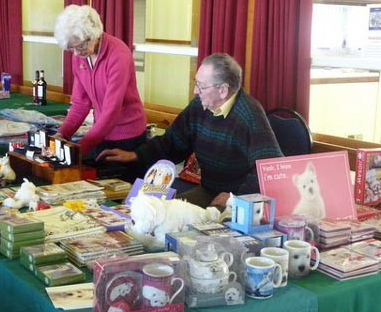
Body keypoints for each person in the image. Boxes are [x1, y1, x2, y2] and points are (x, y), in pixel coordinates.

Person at [97, 53, 282, 209]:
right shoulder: (199, 106)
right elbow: (173, 142)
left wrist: (236, 198)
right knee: (160, 214)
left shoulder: (249, 114)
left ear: (223, 90)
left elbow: (270, 168)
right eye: (196, 83)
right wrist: (135, 155)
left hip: (238, 201)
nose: (195, 90)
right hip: (209, 190)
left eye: (201, 86)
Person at [53, 5, 147, 180]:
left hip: (127, 138)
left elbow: (111, 111)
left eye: (79, 47)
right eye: (71, 49)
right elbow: (80, 104)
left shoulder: (118, 55)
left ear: (93, 35)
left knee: (121, 198)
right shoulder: (80, 57)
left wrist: (80, 148)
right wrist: (62, 134)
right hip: (100, 133)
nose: (75, 53)